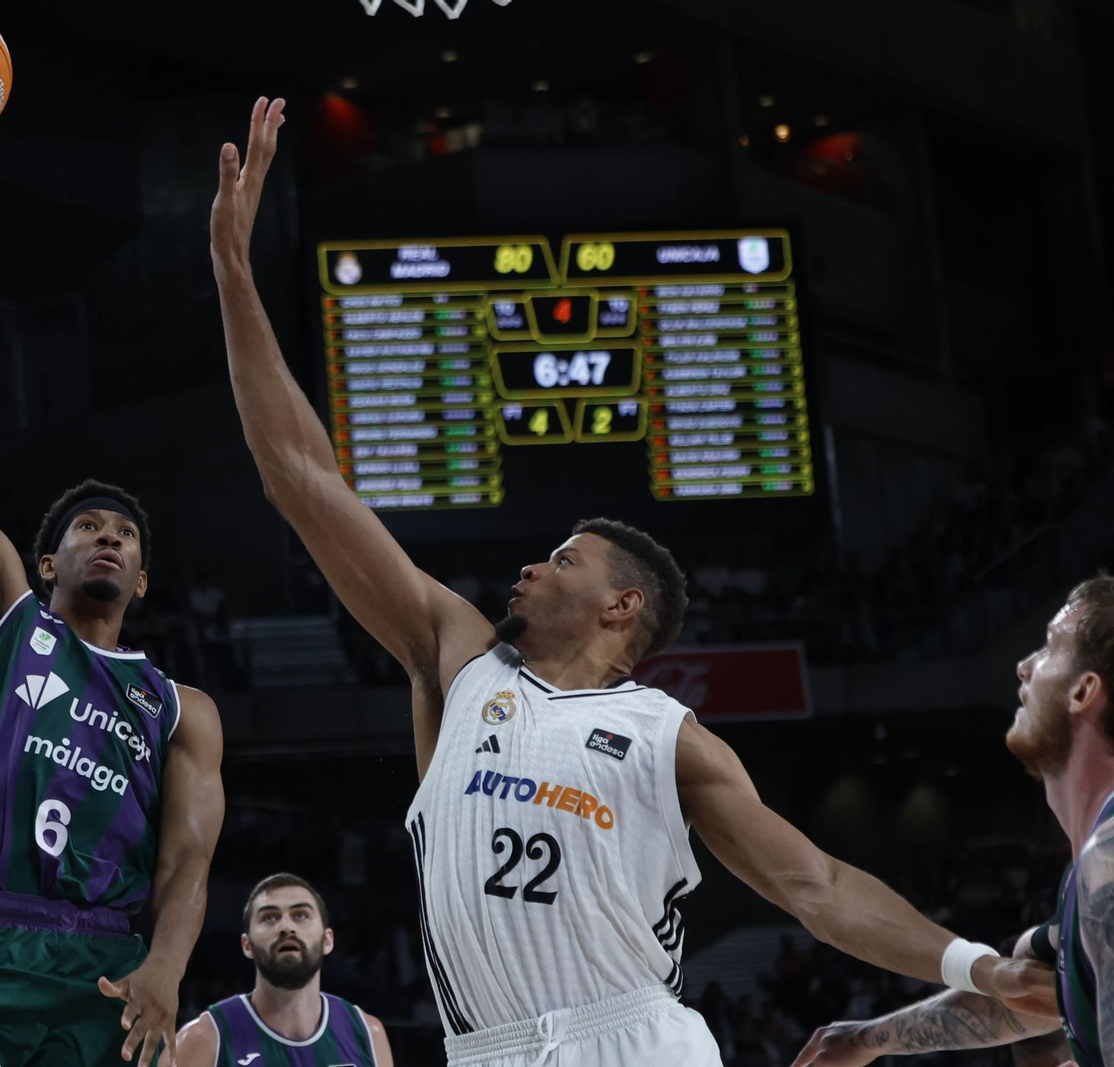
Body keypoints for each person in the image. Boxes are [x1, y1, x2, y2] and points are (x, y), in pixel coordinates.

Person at [208, 95, 1056, 1067]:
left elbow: (815, 884)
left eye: (563, 557)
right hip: (487, 1049)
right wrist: (234, 268)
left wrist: (976, 964)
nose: (530, 563)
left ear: (623, 606)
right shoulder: (455, 658)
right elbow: (301, 479)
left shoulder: (668, 733)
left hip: (636, 1038)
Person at [0, 115, 226, 1067]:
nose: (107, 538)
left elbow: (188, 861)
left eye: (125, 537)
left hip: (107, 970)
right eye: (86, 529)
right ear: (44, 563)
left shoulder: (179, 708)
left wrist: (166, 964)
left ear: (143, 579)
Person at [791, 575, 1114, 1066]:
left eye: (1049, 648)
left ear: (1083, 691)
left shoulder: (1107, 864)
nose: (1024, 666)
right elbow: (1031, 988)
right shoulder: (1091, 875)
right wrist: (868, 1039)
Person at [172, 874, 392, 1067]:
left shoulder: (367, 1034)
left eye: (301, 915)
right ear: (247, 945)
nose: (286, 927)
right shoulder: (204, 1038)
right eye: (269, 917)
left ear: (327, 940)